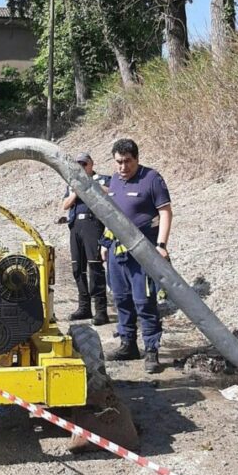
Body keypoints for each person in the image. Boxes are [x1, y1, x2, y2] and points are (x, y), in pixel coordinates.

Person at [101, 138, 172, 374]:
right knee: (121, 299)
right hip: (116, 253)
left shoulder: (151, 179)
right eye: (119, 162)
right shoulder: (114, 182)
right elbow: (111, 214)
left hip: (143, 254)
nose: (123, 167)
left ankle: (151, 351)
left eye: (127, 162)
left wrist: (161, 245)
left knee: (144, 302)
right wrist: (105, 243)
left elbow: (165, 212)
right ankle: (128, 344)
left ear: (137, 159)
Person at [62, 152, 111, 326]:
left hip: (93, 224)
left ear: (91, 164)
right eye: (78, 165)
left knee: (95, 266)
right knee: (78, 268)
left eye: (85, 164)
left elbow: (111, 194)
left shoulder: (102, 179)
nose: (81, 167)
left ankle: (100, 310)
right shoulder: (72, 183)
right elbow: (65, 205)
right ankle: (84, 307)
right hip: (75, 226)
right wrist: (75, 192)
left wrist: (91, 184)